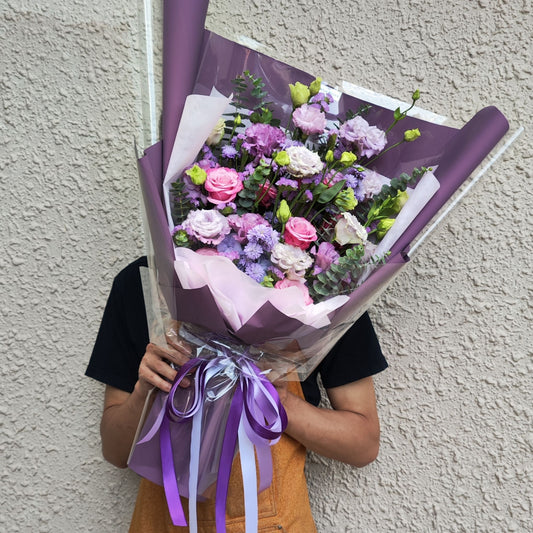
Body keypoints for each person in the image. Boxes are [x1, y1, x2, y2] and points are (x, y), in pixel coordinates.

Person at [86, 256, 388, 532]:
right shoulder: (146, 285)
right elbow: (115, 451)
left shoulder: (321, 296)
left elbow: (363, 444)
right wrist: (146, 392)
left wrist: (280, 401)